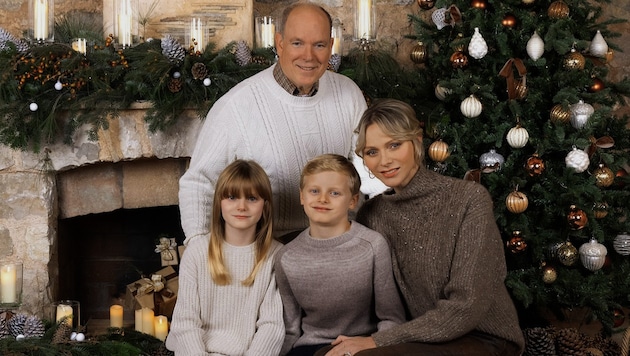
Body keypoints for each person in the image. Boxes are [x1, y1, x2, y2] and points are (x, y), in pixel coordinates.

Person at [324, 99, 525, 356]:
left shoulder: (468, 199)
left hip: (483, 336)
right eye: (372, 152)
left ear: (417, 140)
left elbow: (467, 306)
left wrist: (379, 340)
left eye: (394, 145)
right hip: (420, 337)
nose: (384, 160)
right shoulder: (372, 214)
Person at [178, 2, 385, 245]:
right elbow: (199, 182)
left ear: (330, 47)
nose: (308, 56)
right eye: (297, 43)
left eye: (319, 45)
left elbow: (367, 168)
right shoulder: (236, 105)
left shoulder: (348, 93)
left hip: (340, 240)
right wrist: (199, 248)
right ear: (280, 43)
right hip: (268, 250)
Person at [274, 154, 405, 356]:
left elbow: (392, 318)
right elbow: (290, 329)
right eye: (314, 191)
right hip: (309, 347)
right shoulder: (286, 257)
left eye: (334, 193)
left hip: (363, 345)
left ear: (352, 201)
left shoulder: (372, 245)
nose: (322, 199)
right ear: (302, 196)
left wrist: (374, 344)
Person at [165, 160, 284, 355]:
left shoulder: (275, 256)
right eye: (231, 197)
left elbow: (272, 326)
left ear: (265, 205)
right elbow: (186, 322)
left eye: (252, 198)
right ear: (219, 203)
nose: (242, 206)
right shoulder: (196, 252)